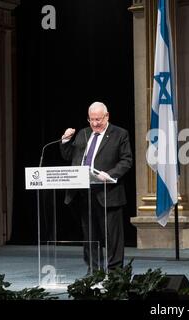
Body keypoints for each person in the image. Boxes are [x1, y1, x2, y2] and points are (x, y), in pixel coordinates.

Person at [60, 101, 133, 273]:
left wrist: (110, 174)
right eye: (91, 119)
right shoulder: (84, 134)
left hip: (109, 192)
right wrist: (65, 141)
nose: (94, 123)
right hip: (85, 193)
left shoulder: (119, 134)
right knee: (90, 236)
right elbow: (69, 156)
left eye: (98, 119)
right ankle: (94, 271)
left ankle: (115, 273)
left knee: (112, 237)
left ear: (107, 116)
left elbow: (126, 160)